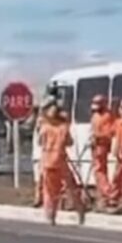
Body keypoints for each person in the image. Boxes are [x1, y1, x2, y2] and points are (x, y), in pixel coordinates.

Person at [37, 98, 84, 226]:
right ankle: (80, 211)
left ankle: (50, 215)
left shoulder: (44, 127)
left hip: (48, 161)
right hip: (61, 160)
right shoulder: (63, 127)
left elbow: (40, 142)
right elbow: (70, 142)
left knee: (49, 191)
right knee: (71, 187)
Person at [88, 94, 116, 209]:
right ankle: (102, 197)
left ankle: (109, 193)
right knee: (97, 171)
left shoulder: (107, 116)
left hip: (102, 146)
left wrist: (97, 137)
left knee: (100, 170)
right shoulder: (95, 115)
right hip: (95, 146)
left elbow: (110, 133)